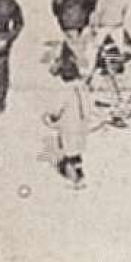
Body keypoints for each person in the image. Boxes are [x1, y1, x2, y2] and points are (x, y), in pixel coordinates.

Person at [44, 49, 89, 189]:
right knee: (77, 150)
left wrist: (51, 117)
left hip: (69, 124)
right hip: (82, 123)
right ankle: (79, 173)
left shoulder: (64, 90)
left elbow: (57, 109)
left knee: (68, 149)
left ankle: (72, 178)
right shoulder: (82, 87)